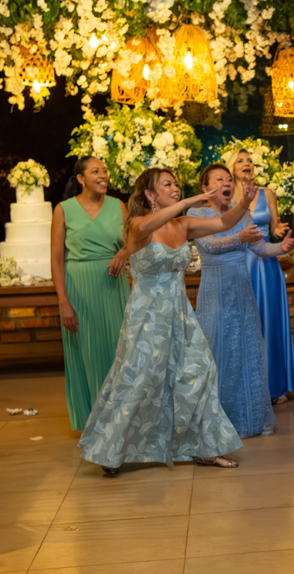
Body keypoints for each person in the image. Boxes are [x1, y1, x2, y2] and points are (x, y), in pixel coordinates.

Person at [80, 168, 253, 476]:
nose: (175, 188)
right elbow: (149, 224)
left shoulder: (182, 225)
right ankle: (110, 449)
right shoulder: (138, 226)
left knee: (201, 371)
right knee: (140, 378)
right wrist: (187, 202)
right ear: (150, 194)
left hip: (180, 312)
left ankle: (206, 448)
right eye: (168, 184)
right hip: (147, 315)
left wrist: (244, 203)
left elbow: (224, 223)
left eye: (176, 184)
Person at [190, 164, 294, 439]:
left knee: (246, 349)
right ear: (205, 188)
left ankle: (249, 415)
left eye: (228, 179)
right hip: (215, 290)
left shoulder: (243, 214)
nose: (227, 183)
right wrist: (239, 236)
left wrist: (280, 248)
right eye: (219, 179)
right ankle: (218, 419)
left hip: (242, 289)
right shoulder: (197, 214)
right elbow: (209, 245)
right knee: (218, 349)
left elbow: (258, 247)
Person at [50, 156, 131, 432]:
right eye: (96, 171)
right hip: (80, 290)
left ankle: (120, 420)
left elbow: (133, 241)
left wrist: (124, 252)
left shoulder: (118, 206)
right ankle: (94, 422)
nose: (103, 175)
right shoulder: (63, 210)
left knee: (119, 352)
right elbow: (56, 259)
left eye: (105, 171)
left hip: (114, 287)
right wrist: (64, 302)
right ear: (81, 179)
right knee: (87, 353)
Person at [227, 148, 294, 404]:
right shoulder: (228, 197)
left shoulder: (266, 193)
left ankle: (275, 386)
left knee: (270, 322)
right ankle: (247, 388)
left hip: (266, 265)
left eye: (249, 160)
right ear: (231, 168)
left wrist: (278, 231)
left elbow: (275, 226)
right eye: (240, 160)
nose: (246, 163)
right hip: (240, 264)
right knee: (244, 325)